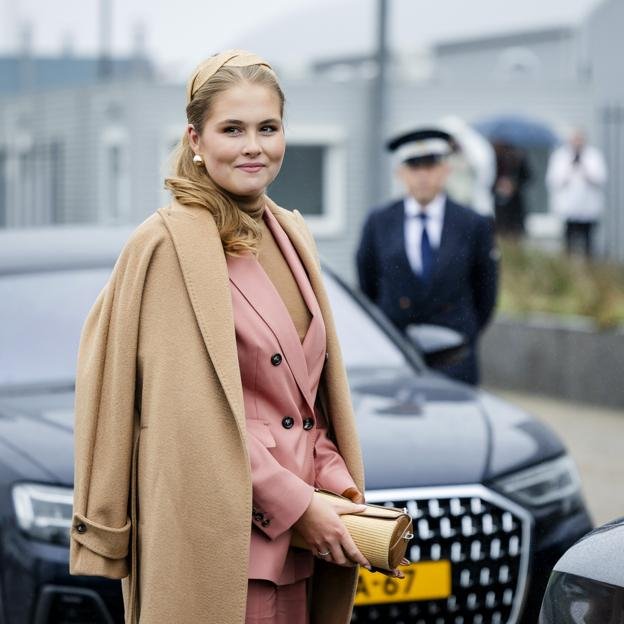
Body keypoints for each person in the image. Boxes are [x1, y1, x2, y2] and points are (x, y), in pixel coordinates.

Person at [69, 50, 404, 624]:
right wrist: (302, 507)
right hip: (218, 552)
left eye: (268, 128)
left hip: (299, 552)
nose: (254, 146)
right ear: (195, 138)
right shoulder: (166, 247)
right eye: (233, 129)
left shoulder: (292, 233)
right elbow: (188, 420)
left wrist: (338, 490)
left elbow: (304, 405)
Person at [356, 128, 498, 386]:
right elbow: (368, 286)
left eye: (431, 165)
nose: (423, 175)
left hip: (455, 356)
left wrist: (463, 335)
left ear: (446, 170)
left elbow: (485, 293)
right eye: (413, 166)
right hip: (396, 353)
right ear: (400, 173)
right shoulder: (379, 222)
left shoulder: (472, 224)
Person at [546, 128, 608, 258]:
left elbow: (601, 178)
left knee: (588, 242)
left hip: (588, 208)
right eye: (575, 139)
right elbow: (553, 180)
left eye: (579, 139)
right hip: (568, 207)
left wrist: (584, 168)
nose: (577, 143)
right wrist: (570, 168)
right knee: (569, 241)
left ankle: (589, 265)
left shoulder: (593, 155)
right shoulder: (560, 156)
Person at [492, 141, 532, 238]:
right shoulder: (494, 157)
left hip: (515, 203)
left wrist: (514, 184)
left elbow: (527, 177)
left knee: (515, 231)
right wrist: (499, 183)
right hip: (498, 202)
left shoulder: (519, 157)